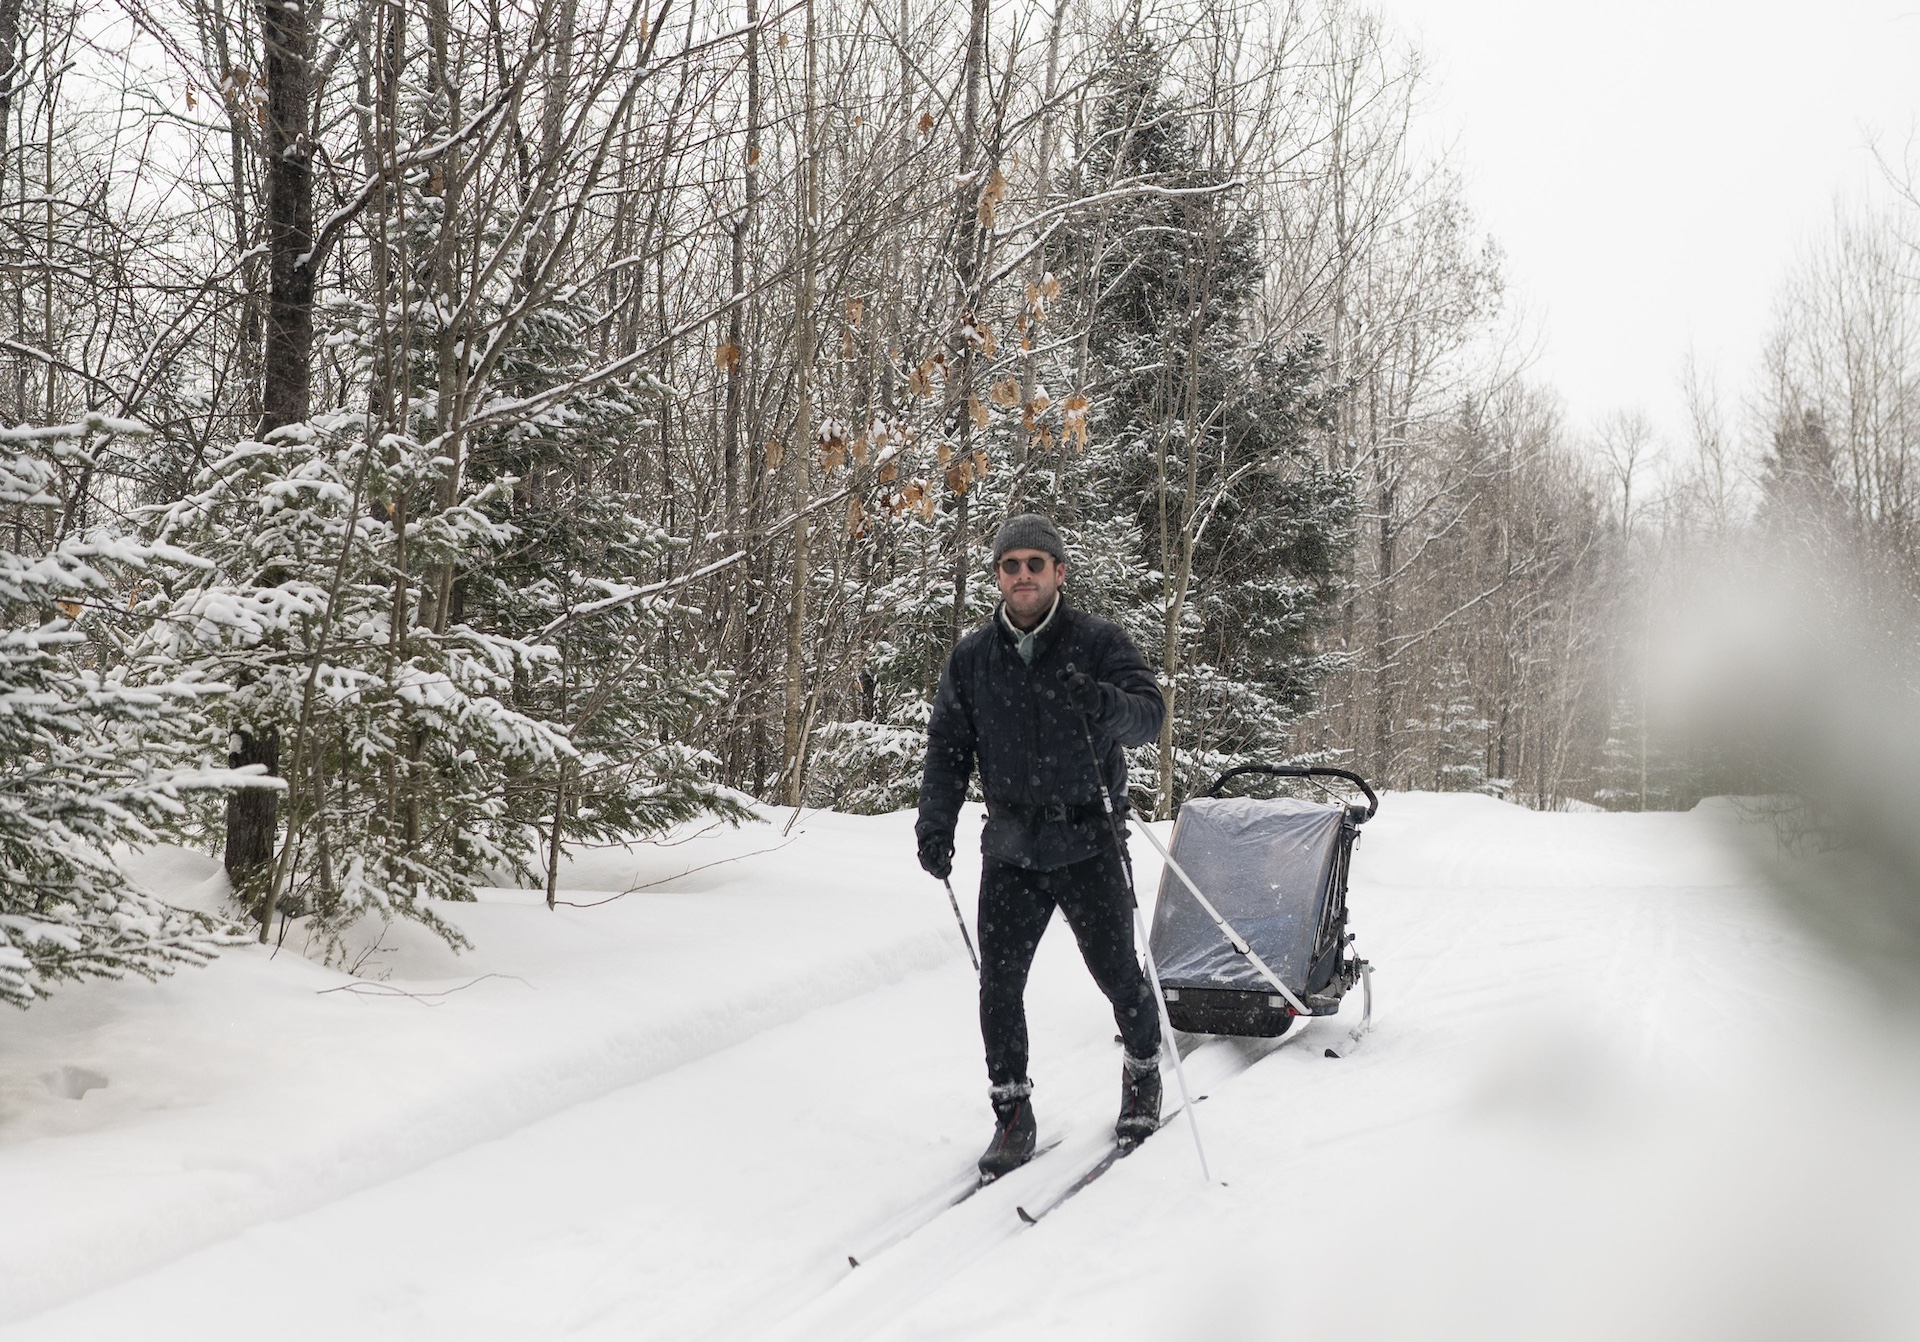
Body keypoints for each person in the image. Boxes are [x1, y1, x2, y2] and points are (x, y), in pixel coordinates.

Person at [915, 512, 1168, 1178]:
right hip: (1011, 845)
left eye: (1035, 564)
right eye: (1010, 565)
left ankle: (1144, 1071)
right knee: (998, 987)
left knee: (1118, 975)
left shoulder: (1098, 642)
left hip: (1087, 840)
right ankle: (1011, 1112)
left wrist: (1105, 703)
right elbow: (948, 748)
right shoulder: (973, 658)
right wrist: (935, 824)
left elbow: (1148, 717)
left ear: (1059, 572)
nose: (1022, 575)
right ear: (998, 577)